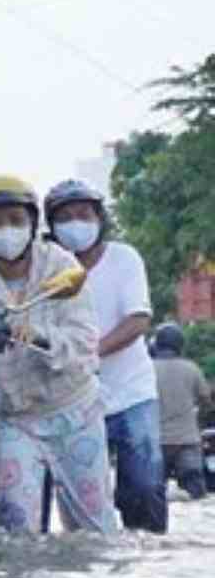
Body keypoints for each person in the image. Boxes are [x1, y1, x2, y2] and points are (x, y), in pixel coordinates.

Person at [0, 175, 114, 535]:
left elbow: (84, 344)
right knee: (15, 526)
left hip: (74, 412)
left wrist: (41, 337)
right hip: (13, 419)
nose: (6, 230)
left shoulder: (64, 271)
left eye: (16, 221)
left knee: (96, 529)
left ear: (33, 224)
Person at [44, 178, 166, 533]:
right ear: (52, 227)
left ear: (99, 218)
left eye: (82, 215)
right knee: (80, 498)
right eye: (64, 217)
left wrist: (89, 353)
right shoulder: (46, 270)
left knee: (144, 484)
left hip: (131, 393)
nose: (75, 224)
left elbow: (138, 319)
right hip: (73, 399)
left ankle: (152, 558)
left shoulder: (123, 259)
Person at [151, 322, 211, 499]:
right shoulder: (192, 369)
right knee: (196, 493)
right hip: (187, 441)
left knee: (155, 494)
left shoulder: (147, 369)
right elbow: (206, 400)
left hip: (156, 442)